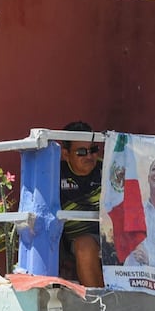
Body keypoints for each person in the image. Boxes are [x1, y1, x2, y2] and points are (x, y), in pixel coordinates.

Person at [59, 120, 105, 287]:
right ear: (66, 154)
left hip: (114, 234)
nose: (89, 156)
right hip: (81, 239)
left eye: (93, 150)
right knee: (85, 245)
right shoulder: (55, 174)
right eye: (81, 152)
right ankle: (100, 305)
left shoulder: (108, 169)